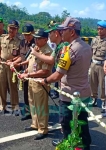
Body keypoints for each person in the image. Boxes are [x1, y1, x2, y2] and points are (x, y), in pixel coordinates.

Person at [39, 17, 92, 149]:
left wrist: (45, 80)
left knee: (67, 123)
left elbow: (58, 74)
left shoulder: (70, 51)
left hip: (69, 95)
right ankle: (85, 145)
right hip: (84, 92)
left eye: (64, 30)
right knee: (82, 121)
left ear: (72, 32)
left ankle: (69, 145)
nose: (61, 32)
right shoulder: (86, 46)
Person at [20, 28, 53, 140]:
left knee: (41, 106)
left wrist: (29, 75)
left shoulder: (47, 51)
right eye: (36, 38)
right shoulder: (36, 48)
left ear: (45, 39)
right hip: (32, 80)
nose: (36, 40)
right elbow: (31, 61)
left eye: (39, 38)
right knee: (32, 103)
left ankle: (43, 129)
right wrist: (25, 71)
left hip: (40, 82)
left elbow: (45, 71)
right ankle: (35, 124)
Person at [0, 20, 22, 116]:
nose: (12, 30)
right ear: (7, 28)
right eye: (10, 28)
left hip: (12, 67)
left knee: (13, 87)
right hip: (2, 65)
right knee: (2, 86)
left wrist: (13, 62)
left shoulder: (20, 41)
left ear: (17, 29)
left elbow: (21, 56)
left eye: (14, 28)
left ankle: (15, 107)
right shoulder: (2, 38)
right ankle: (2, 106)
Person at [16, 23, 35, 121]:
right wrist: (14, 62)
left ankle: (35, 113)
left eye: (28, 34)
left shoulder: (36, 43)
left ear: (33, 33)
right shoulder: (22, 42)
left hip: (33, 72)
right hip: (24, 71)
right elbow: (21, 56)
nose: (26, 36)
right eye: (24, 34)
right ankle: (28, 112)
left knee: (33, 94)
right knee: (26, 93)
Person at [90, 20, 106, 114]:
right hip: (93, 64)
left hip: (102, 65)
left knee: (103, 85)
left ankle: (104, 101)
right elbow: (91, 51)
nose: (99, 31)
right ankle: (94, 99)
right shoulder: (94, 39)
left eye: (101, 29)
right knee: (92, 82)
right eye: (98, 29)